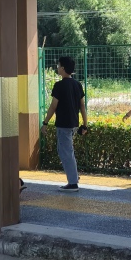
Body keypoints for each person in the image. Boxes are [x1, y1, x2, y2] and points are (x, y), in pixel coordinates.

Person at [41, 56, 88, 192]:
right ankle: (74, 176)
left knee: (66, 153)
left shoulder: (59, 86)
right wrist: (85, 125)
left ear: (62, 68)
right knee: (67, 151)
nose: (57, 68)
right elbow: (82, 106)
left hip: (63, 125)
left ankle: (73, 183)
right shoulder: (77, 85)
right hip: (74, 124)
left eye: (58, 65)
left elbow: (53, 106)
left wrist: (45, 122)